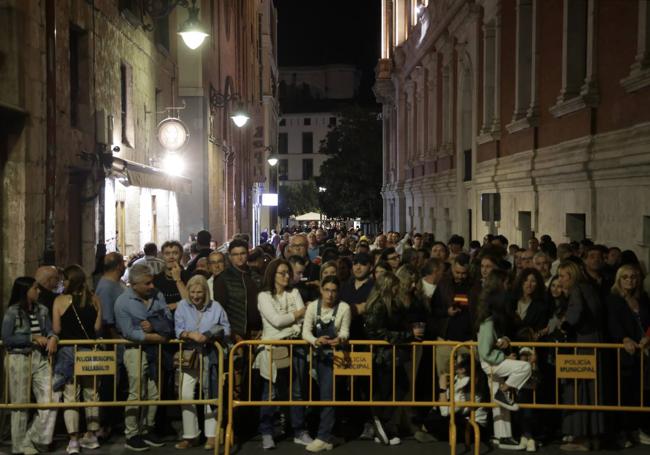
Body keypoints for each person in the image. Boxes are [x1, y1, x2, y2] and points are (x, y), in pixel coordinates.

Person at [114, 264, 172, 451]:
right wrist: (157, 335)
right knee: (136, 391)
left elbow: (168, 319)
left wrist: (155, 328)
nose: (151, 286)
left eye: (152, 281)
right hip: (134, 350)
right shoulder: (123, 302)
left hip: (155, 350)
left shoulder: (158, 296)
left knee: (154, 391)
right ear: (134, 284)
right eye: (147, 283)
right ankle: (132, 433)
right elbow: (129, 332)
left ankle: (148, 428)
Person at [255, 258, 310, 450]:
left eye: (288, 272)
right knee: (270, 393)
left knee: (296, 392)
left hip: (295, 347)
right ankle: (267, 432)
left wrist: (295, 320)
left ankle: (299, 430)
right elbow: (276, 321)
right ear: (273, 275)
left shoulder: (294, 292)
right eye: (282, 273)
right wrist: (296, 315)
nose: (287, 276)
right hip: (272, 348)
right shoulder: (263, 296)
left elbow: (304, 321)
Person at [1, 277, 59, 455]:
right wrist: (31, 338)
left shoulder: (42, 309)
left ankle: (33, 438)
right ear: (25, 291)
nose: (39, 291)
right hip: (19, 357)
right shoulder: (12, 312)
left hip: (40, 359)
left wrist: (52, 338)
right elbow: (7, 338)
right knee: (20, 404)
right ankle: (19, 446)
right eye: (35, 288)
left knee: (51, 397)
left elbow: (49, 329)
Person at [363, 272, 421, 445]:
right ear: (389, 287)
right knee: (391, 390)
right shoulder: (379, 305)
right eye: (396, 286)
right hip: (383, 356)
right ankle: (382, 422)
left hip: (391, 355)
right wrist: (408, 334)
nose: (398, 289)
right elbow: (377, 332)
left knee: (396, 389)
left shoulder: (391, 304)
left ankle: (385, 426)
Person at [174, 275, 231, 450]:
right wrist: (190, 334)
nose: (196, 295)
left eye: (199, 292)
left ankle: (212, 436)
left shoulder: (216, 306)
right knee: (186, 394)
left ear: (206, 291)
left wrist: (208, 334)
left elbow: (226, 327)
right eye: (192, 291)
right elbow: (178, 328)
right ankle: (190, 435)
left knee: (210, 394)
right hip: (189, 356)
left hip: (210, 355)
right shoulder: (182, 306)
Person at [52, 265, 103, 454]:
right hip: (90, 351)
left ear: (69, 281)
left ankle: (73, 439)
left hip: (68, 352)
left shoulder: (60, 301)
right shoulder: (94, 299)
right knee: (92, 393)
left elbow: (56, 329)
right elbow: (98, 327)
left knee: (71, 396)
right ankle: (92, 435)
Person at [557, 260, 605, 451]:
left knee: (579, 389)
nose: (559, 281)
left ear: (571, 275)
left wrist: (562, 324)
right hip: (595, 341)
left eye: (562, 276)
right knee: (592, 390)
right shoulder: (589, 288)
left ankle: (581, 437)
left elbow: (574, 316)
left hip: (582, 344)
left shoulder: (577, 290)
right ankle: (593, 435)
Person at [476, 286, 532, 451]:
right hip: (492, 363)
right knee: (525, 367)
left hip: (493, 362)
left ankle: (504, 437)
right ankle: (505, 390)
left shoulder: (492, 321)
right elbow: (485, 352)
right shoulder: (488, 323)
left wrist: (504, 340)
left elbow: (493, 343)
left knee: (499, 405)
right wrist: (504, 357)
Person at [302, 276, 351, 452]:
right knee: (319, 397)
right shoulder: (313, 307)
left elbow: (345, 331)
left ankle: (323, 436)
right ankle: (328, 434)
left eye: (334, 291)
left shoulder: (344, 308)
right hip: (315, 357)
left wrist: (341, 339)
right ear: (321, 290)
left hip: (335, 358)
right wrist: (316, 340)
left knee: (328, 397)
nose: (330, 294)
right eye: (327, 290)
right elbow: (305, 332)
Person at [606, 264, 650, 447]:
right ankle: (623, 431)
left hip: (644, 352)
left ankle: (639, 429)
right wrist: (623, 339)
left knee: (642, 392)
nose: (630, 280)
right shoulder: (613, 299)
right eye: (625, 277)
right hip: (623, 353)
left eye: (633, 277)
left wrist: (647, 338)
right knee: (623, 392)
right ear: (619, 280)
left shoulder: (644, 299)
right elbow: (612, 322)